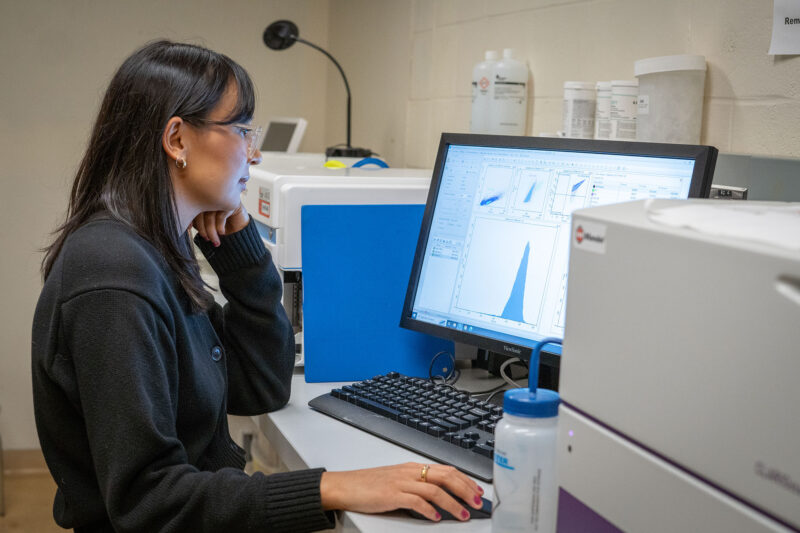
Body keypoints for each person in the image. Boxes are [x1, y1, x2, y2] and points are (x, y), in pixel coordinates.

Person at [31, 40, 484, 533]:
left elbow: (261, 385)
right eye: (242, 130)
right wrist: (332, 486)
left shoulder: (155, 247)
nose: (255, 151)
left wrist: (239, 247)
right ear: (177, 140)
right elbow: (149, 501)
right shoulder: (115, 278)